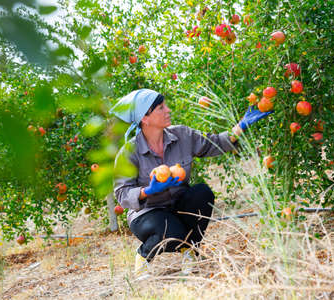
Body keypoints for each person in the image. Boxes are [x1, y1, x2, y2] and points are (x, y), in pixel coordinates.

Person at [110, 89, 272, 278]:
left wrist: (241, 126)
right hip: (147, 213)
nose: (168, 110)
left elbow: (215, 143)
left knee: (203, 193)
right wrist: (147, 191)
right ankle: (144, 255)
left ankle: (190, 251)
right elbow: (122, 193)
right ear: (145, 118)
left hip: (178, 204)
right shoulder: (129, 151)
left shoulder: (182, 135)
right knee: (170, 231)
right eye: (161, 108)